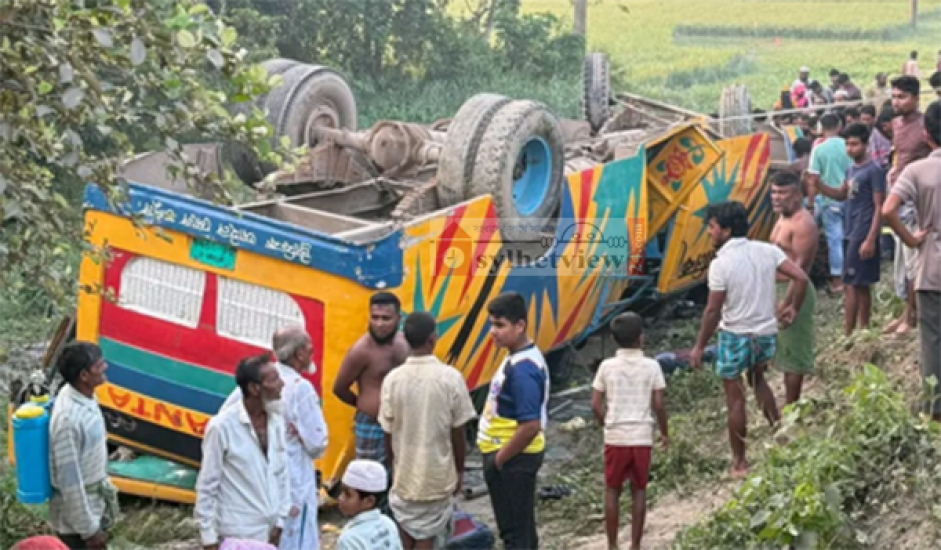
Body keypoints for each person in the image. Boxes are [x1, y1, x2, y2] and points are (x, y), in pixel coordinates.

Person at [690, 201, 809, 477]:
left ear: (726, 230)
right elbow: (801, 277)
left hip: (735, 335)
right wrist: (793, 308)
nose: (709, 232)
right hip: (765, 334)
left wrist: (699, 346)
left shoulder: (720, 264)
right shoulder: (767, 251)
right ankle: (779, 431)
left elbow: (712, 311)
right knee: (759, 380)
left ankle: (740, 462)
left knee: (735, 398)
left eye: (712, 227)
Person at [220, 327, 329, 550]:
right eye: (310, 349)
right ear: (299, 354)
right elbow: (317, 444)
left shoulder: (259, 379)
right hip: (292, 480)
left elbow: (225, 419)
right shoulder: (300, 389)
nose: (312, 353)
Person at [379, 312, 477, 549]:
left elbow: (387, 432)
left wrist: (394, 466)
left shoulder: (392, 380)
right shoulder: (450, 378)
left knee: (405, 532)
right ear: (432, 338)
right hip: (437, 477)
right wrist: (459, 470)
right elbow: (458, 432)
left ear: (406, 339)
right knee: (428, 537)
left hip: (404, 478)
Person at [477, 292, 550, 549]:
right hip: (510, 455)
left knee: (514, 535)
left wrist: (500, 459)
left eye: (500, 325)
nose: (493, 332)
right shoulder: (517, 357)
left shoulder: (523, 370)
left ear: (520, 326)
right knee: (522, 531)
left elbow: (530, 425)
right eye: (491, 324)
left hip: (512, 458)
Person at [195, 354, 291, 550]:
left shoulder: (276, 421)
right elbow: (207, 485)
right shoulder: (221, 427)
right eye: (274, 380)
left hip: (270, 533)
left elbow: (283, 474)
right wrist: (208, 539)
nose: (282, 385)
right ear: (254, 388)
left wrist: (281, 520)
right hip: (237, 533)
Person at [882, 99, 940, 420]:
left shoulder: (917, 170)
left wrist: (911, 239)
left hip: (932, 270)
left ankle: (935, 413)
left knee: (933, 342)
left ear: (926, 135)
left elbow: (888, 209)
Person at [590, 312, 668, 550]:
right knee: (639, 490)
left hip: (616, 436)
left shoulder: (606, 367)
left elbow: (595, 405)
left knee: (612, 490)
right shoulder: (652, 366)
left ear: (614, 339)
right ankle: (635, 545)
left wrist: (606, 423)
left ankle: (612, 545)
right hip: (642, 436)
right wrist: (664, 433)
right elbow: (658, 405)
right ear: (641, 338)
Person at [815, 123, 886, 335]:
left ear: (866, 144)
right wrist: (819, 185)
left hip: (862, 231)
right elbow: (841, 194)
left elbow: (879, 206)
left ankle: (851, 331)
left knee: (852, 284)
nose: (850, 149)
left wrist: (871, 238)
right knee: (859, 283)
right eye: (847, 144)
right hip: (850, 229)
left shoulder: (874, 171)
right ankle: (862, 330)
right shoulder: (850, 170)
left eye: (854, 144)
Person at [48, 342, 119, 550]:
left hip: (93, 509)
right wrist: (89, 530)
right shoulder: (67, 420)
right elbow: (69, 482)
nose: (105, 367)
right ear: (84, 376)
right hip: (76, 526)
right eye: (98, 365)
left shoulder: (84, 395)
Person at [333, 292, 409, 466]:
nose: (379, 324)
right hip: (372, 425)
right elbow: (339, 388)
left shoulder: (404, 343)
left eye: (386, 318)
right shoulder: (361, 351)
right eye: (375, 317)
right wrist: (365, 406)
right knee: (370, 475)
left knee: (400, 472)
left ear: (398, 319)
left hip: (401, 424)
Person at [884, 75, 931, 335]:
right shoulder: (896, 124)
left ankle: (911, 317)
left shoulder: (925, 126)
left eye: (902, 97)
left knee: (913, 260)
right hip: (897, 197)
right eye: (894, 96)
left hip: (915, 200)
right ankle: (906, 311)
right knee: (901, 260)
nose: (896, 102)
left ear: (916, 98)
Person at [769, 171, 819, 404]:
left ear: (798, 195)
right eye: (774, 192)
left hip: (795, 292)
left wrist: (789, 304)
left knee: (794, 357)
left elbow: (800, 270)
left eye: (783, 193)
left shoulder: (803, 224)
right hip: (779, 288)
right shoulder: (782, 218)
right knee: (782, 351)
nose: (777, 198)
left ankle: (792, 408)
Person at [806, 113, 853, 294]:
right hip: (851, 198)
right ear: (840, 126)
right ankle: (853, 275)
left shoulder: (819, 150)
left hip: (829, 200)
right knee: (851, 237)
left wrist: (811, 204)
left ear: (821, 128)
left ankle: (837, 281)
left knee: (835, 239)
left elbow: (813, 179)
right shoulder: (848, 145)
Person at [336, 459, 403, 550]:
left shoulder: (349, 540)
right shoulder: (388, 523)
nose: (340, 498)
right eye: (341, 492)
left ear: (369, 501)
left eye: (347, 494)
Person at [860, 104, 892, 169]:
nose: (865, 122)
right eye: (863, 119)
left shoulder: (882, 130)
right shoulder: (861, 132)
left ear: (874, 118)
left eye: (868, 119)